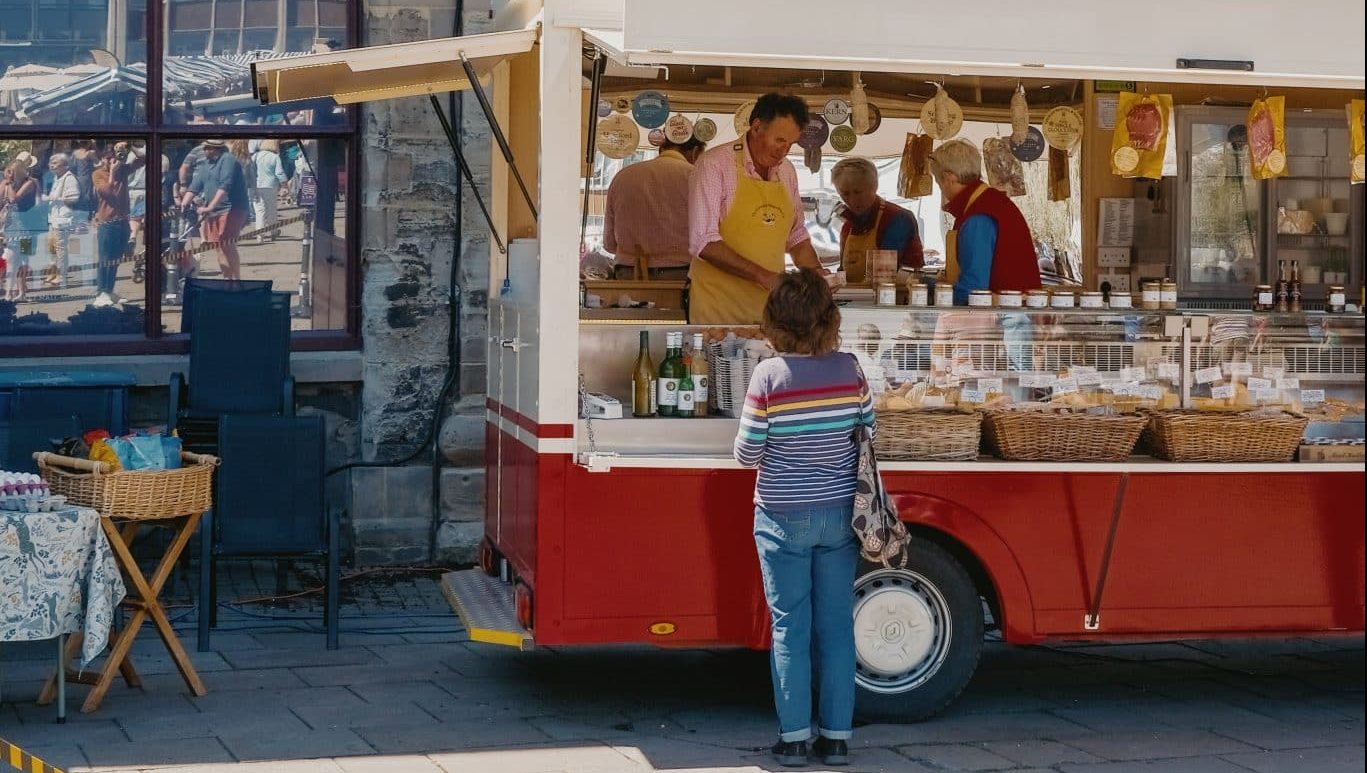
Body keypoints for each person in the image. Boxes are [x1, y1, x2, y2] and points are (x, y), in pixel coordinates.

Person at [734, 270, 873, 769]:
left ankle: (794, 738)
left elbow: (747, 453)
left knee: (790, 628)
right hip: (840, 516)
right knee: (836, 627)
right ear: (829, 320)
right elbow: (868, 431)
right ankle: (836, 739)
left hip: (781, 517)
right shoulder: (851, 369)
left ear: (775, 321)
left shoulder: (768, 376)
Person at [688, 93, 827, 324]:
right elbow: (703, 242)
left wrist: (817, 274)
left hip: (771, 314)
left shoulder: (787, 171)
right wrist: (765, 277)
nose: (783, 151)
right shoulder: (714, 165)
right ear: (756, 126)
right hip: (718, 312)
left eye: (790, 144)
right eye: (779, 140)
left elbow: (796, 236)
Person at [927, 139, 1041, 305]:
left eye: (939, 183)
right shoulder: (992, 203)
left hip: (1006, 321)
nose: (941, 190)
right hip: (1016, 315)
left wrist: (929, 286)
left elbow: (974, 290)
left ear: (948, 178)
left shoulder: (979, 216)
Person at [603, 137, 706, 280]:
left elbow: (609, 243)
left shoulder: (622, 177)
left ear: (662, 148)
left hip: (628, 274)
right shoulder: (696, 177)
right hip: (680, 275)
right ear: (695, 152)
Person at [831, 157, 924, 283]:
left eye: (858, 192)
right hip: (854, 300)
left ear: (874, 187)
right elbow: (842, 272)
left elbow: (882, 275)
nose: (852, 200)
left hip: (897, 298)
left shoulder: (898, 218)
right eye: (845, 194)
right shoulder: (848, 225)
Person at [194, 139, 250, 281]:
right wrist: (184, 201)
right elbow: (196, 184)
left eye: (207, 148)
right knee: (218, 246)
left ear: (215, 149)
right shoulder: (208, 164)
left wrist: (210, 206)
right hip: (215, 210)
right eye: (204, 148)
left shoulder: (228, 160)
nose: (204, 151)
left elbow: (226, 184)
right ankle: (227, 279)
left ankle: (236, 280)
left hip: (231, 208)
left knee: (227, 243)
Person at [91, 143, 131, 307]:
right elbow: (106, 191)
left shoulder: (123, 170)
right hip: (107, 221)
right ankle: (101, 292)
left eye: (114, 157)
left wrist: (129, 147)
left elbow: (143, 160)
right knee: (105, 258)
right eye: (108, 158)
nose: (111, 161)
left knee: (116, 258)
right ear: (102, 159)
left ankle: (110, 289)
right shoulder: (98, 173)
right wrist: (113, 173)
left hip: (122, 220)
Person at [44, 152, 82, 289]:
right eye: (50, 162)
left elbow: (74, 198)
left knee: (60, 248)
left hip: (63, 219)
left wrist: (56, 199)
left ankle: (62, 276)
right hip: (53, 218)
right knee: (52, 248)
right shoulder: (57, 177)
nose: (51, 165)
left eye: (55, 163)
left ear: (65, 165)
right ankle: (53, 273)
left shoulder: (70, 178)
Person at [247, 139, 286, 241]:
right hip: (271, 186)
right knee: (271, 210)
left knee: (259, 211)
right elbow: (279, 173)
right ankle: (273, 232)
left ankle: (260, 235)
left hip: (257, 185)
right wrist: (284, 185)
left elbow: (251, 171)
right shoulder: (275, 157)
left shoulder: (255, 156)